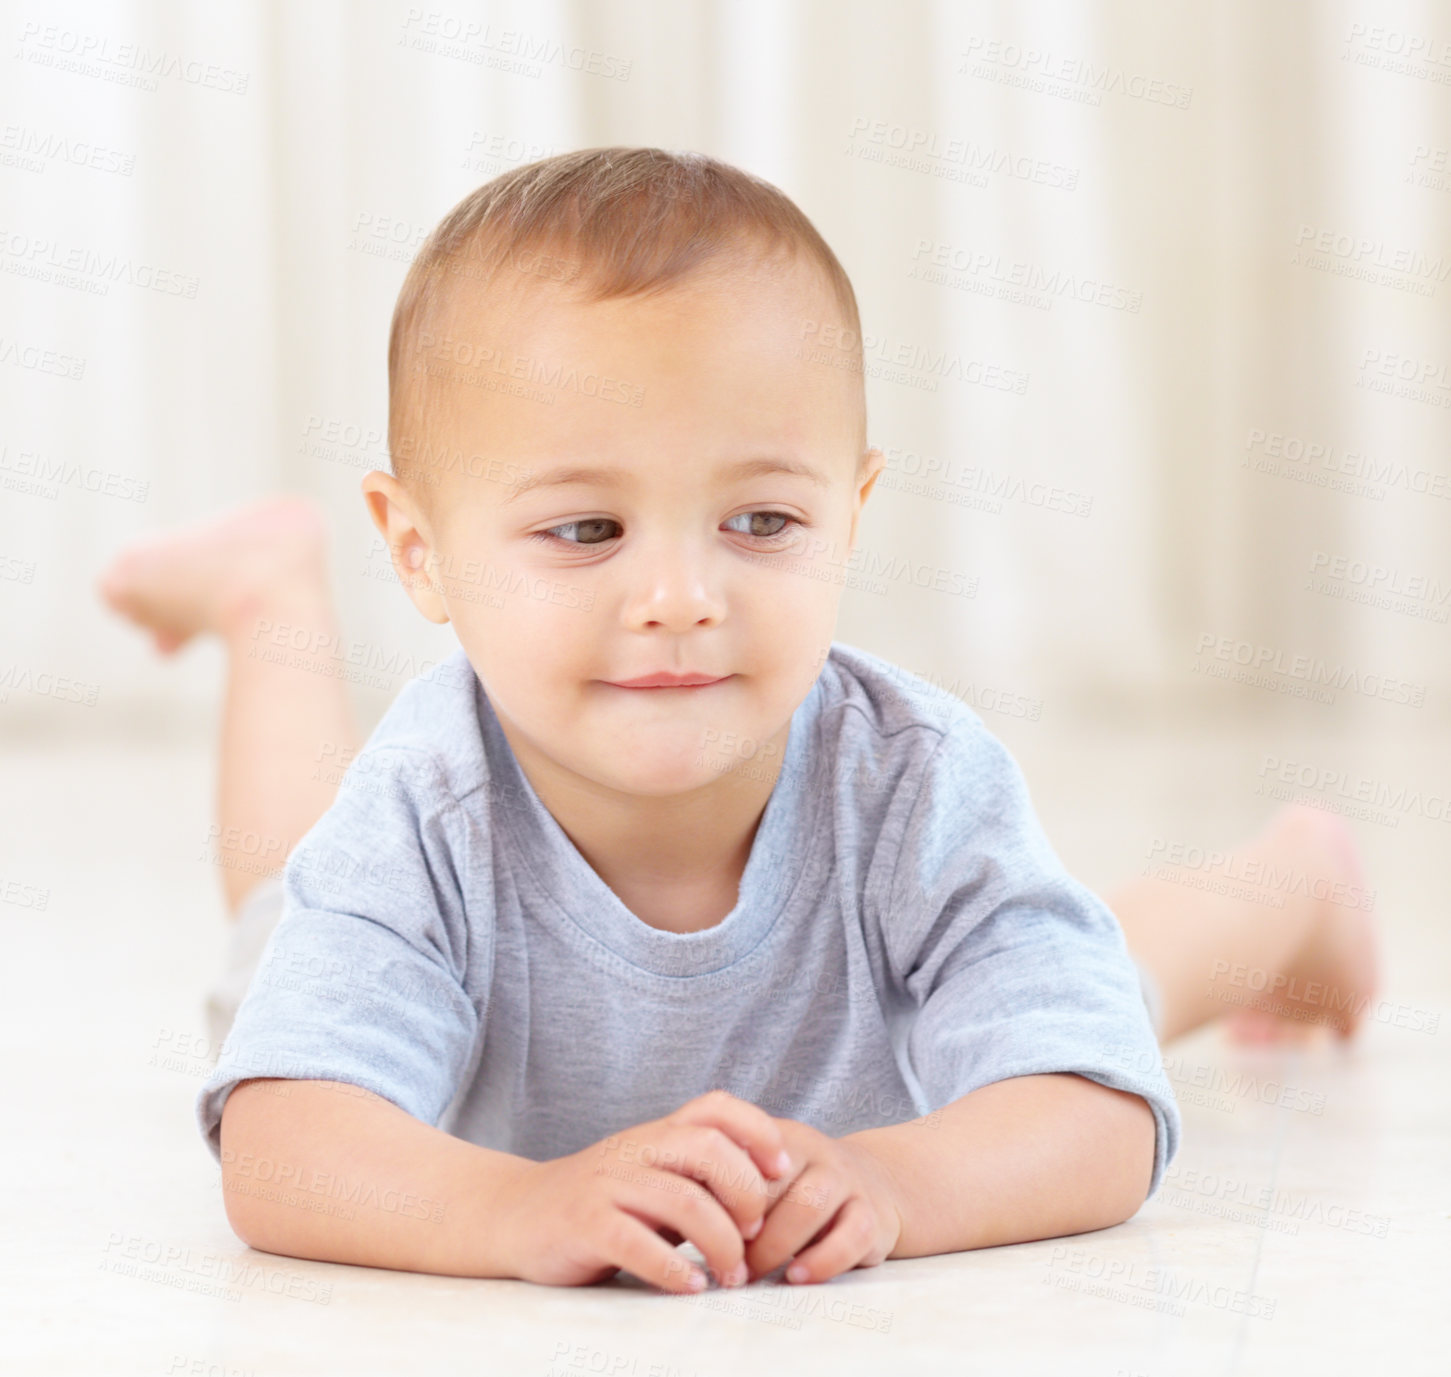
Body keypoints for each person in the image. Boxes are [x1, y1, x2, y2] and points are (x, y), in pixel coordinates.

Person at [97, 148, 1378, 1297]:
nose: (679, 601)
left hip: (899, 1035)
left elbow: (1094, 1105)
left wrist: (902, 1182)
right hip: (377, 916)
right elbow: (282, 1151)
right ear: (422, 555)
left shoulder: (910, 782)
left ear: (851, 512)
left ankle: (1294, 880)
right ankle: (271, 592)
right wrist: (516, 1203)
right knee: (274, 909)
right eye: (585, 530)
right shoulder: (418, 815)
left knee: (1099, 983)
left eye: (761, 522)